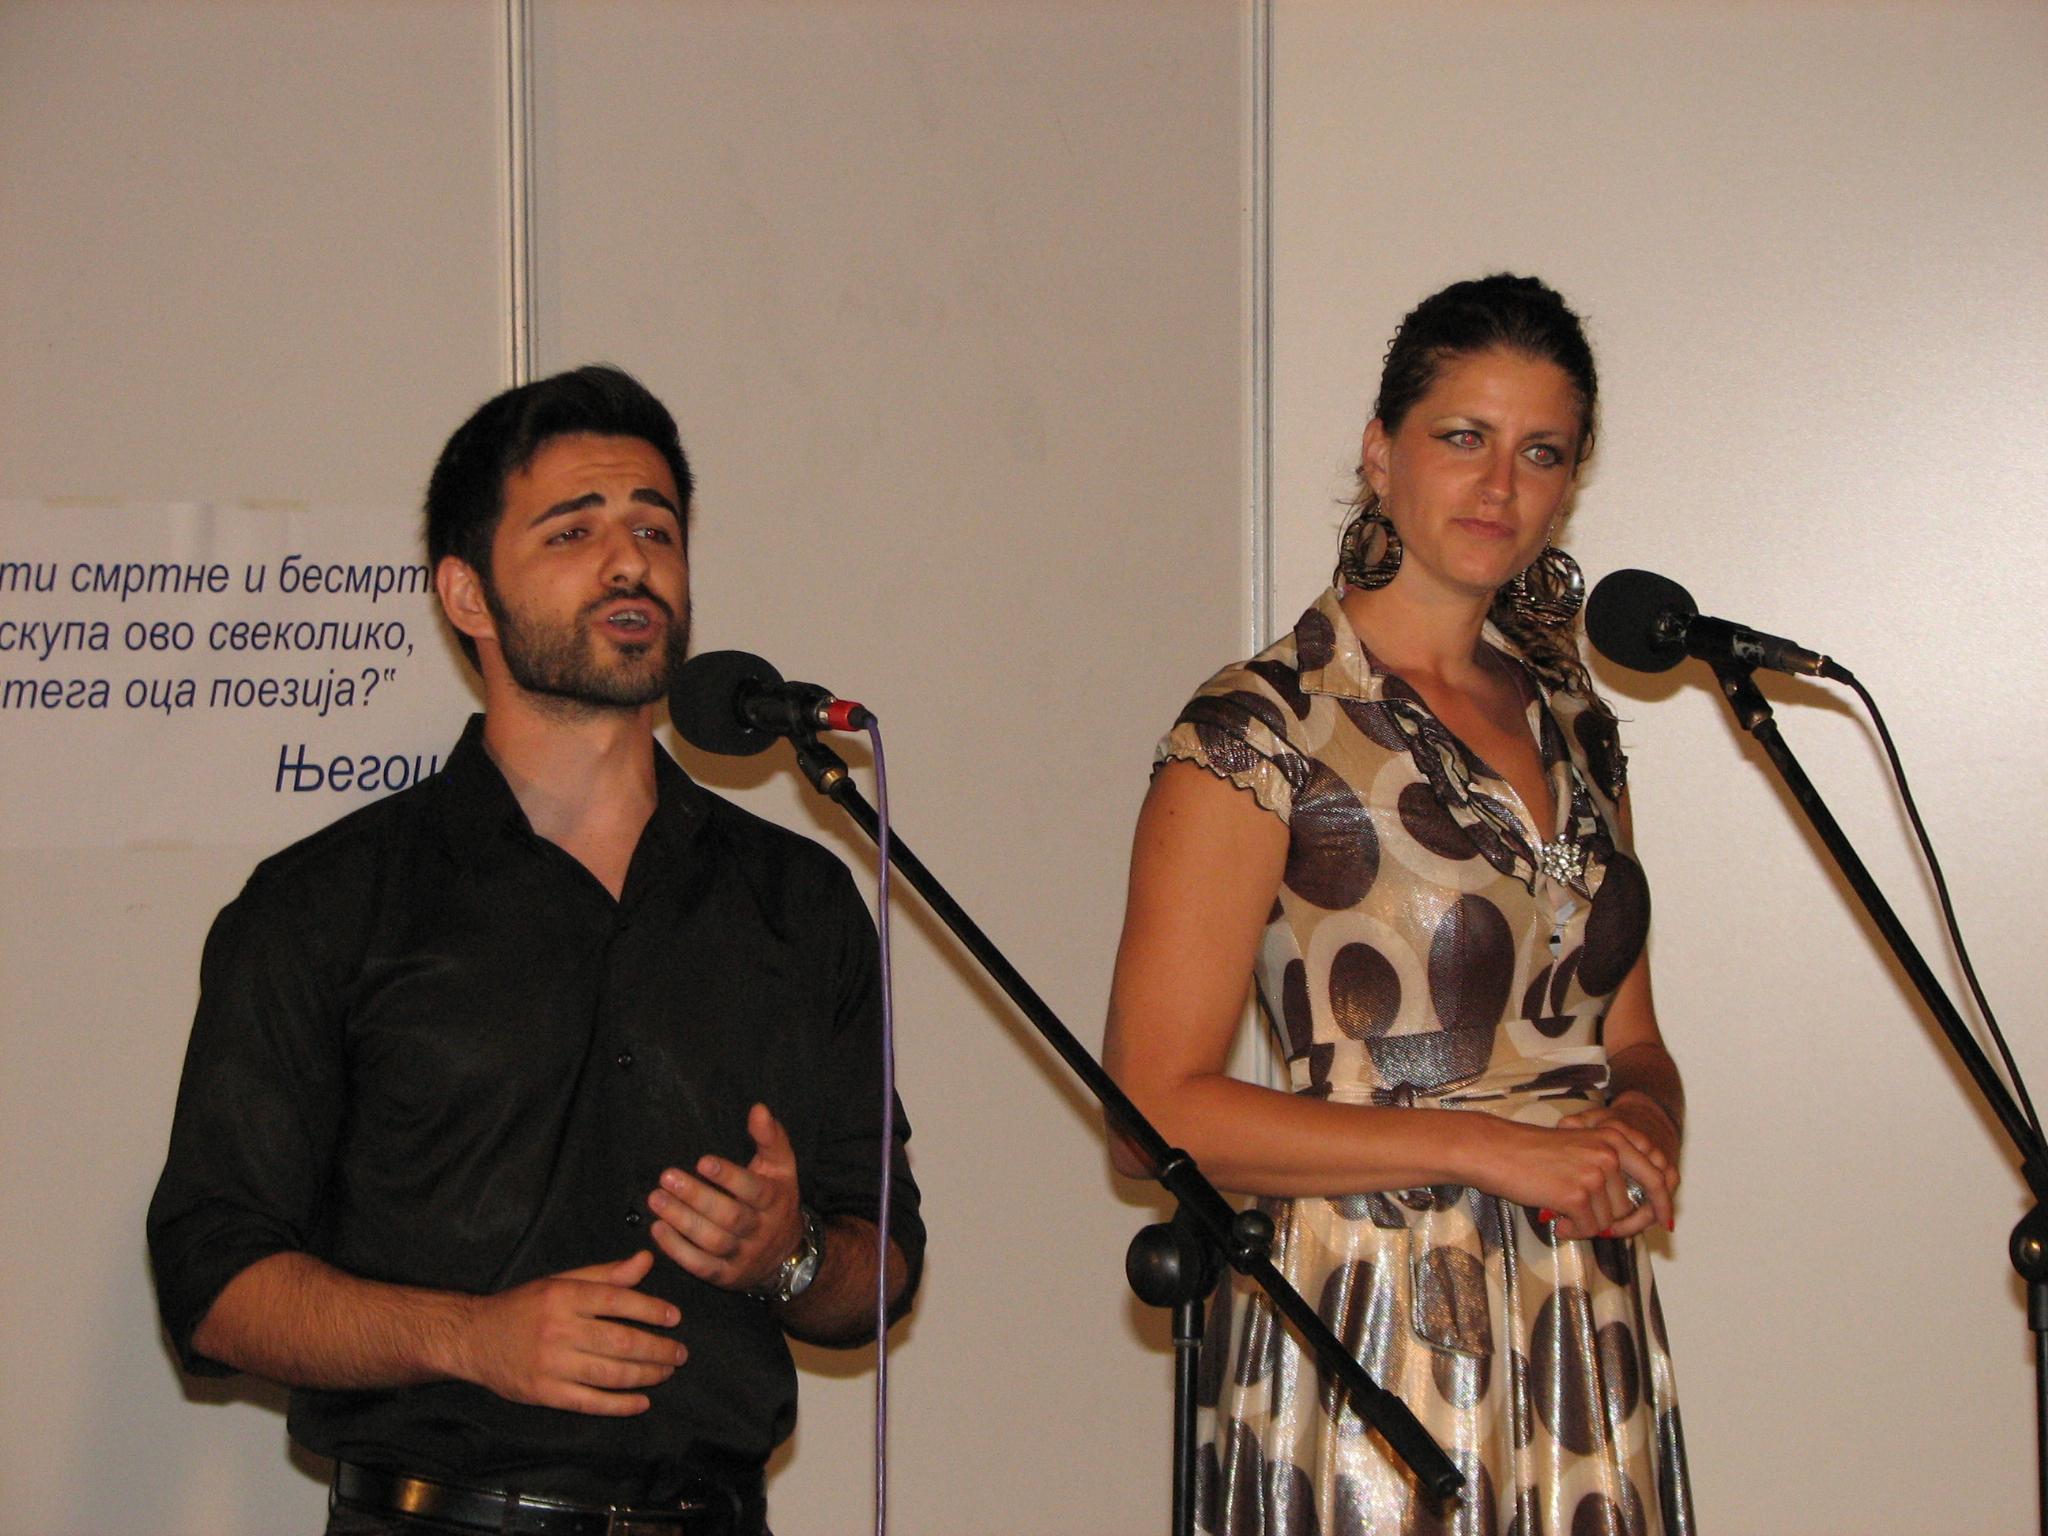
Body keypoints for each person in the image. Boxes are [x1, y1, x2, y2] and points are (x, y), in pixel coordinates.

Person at [147, 365, 923, 1536]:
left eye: (655, 529)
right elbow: (210, 1280)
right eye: (573, 531)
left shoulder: (796, 899)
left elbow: (883, 1270)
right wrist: (469, 1338)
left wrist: (791, 1253)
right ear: (467, 593)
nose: (629, 563)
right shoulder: (326, 903)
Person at [1103, 276, 1693, 1534]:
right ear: (1379, 454)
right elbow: (1148, 1113)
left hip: (1579, 1319)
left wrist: (1640, 1128)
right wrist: (1486, 1147)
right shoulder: (1260, 725)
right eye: (1462, 437)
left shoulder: (1576, 724)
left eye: (1540, 452)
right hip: (1368, 1318)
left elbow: (1629, 1041)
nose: (1499, 485)